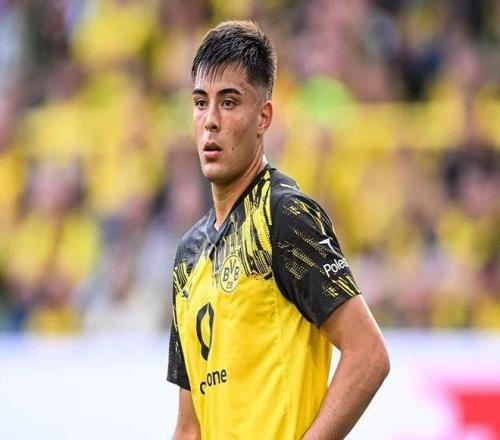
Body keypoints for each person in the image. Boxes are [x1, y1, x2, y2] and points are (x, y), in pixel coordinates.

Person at [167, 20, 390, 440]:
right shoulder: (188, 256)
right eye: (200, 103)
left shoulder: (283, 216)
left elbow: (369, 354)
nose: (210, 121)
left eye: (229, 102)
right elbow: (190, 426)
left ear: (263, 117)